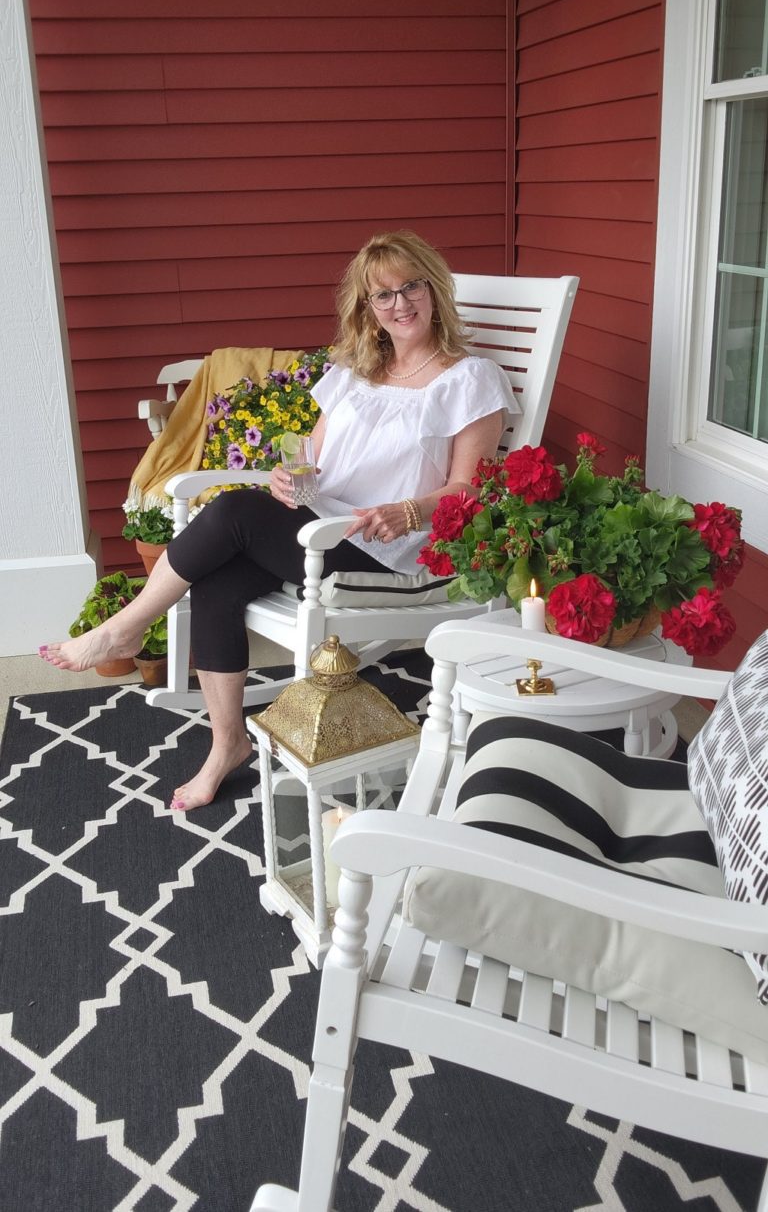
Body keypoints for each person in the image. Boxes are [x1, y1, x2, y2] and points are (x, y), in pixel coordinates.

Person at [40, 230, 519, 811]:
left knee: (233, 510)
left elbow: (473, 489)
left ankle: (127, 627)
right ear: (367, 309)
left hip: (382, 546)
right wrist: (287, 477)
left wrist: (410, 509)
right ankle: (228, 744)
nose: (399, 304)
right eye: (382, 295)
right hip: (319, 524)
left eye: (410, 286)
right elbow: (308, 459)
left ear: (433, 288)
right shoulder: (354, 372)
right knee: (218, 577)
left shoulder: (470, 378)